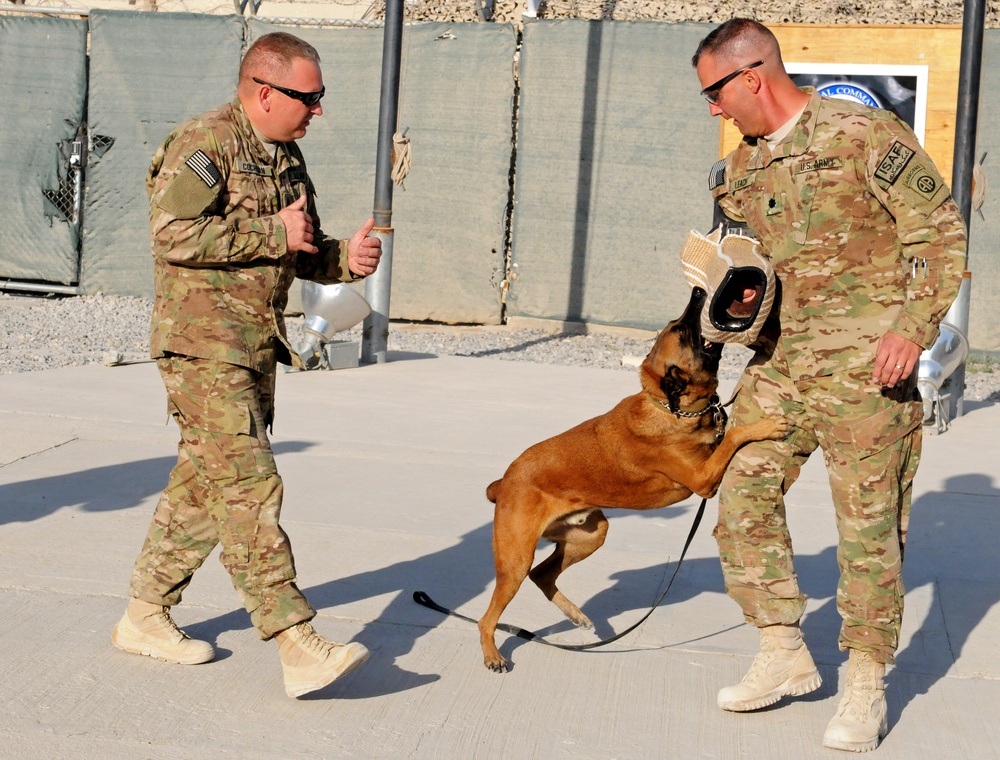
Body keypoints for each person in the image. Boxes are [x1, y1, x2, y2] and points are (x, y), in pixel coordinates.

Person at [691, 19, 966, 752]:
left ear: (752, 76)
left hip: (869, 371)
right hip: (780, 368)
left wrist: (913, 327)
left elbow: (937, 233)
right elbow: (751, 263)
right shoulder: (740, 169)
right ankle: (782, 649)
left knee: (869, 532)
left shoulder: (863, 133)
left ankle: (866, 681)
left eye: (715, 92)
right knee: (740, 487)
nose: (712, 109)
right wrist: (731, 298)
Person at [111, 31, 382, 699]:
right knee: (249, 487)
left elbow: (301, 248)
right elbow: (171, 236)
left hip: (254, 346)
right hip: (201, 348)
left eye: (320, 98)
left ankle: (144, 613)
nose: (317, 110)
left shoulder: (284, 158)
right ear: (265, 92)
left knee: (206, 487)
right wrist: (272, 233)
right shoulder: (205, 143)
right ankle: (295, 643)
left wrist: (346, 257)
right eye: (308, 98)